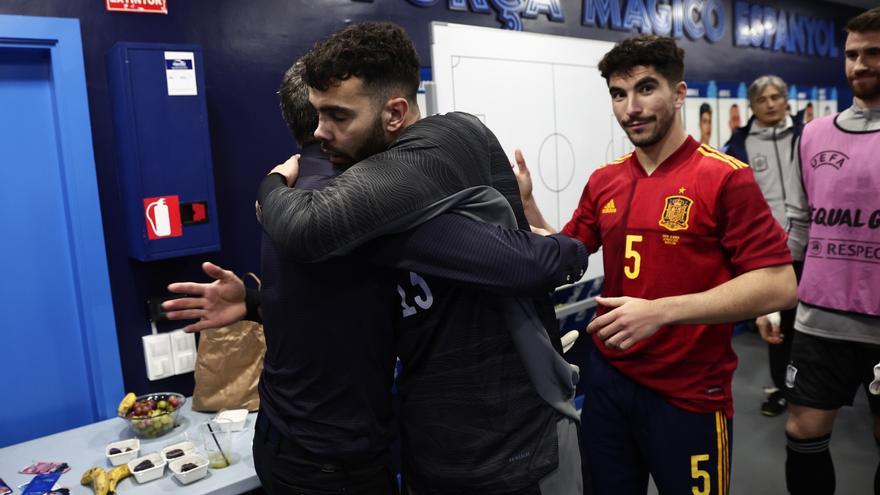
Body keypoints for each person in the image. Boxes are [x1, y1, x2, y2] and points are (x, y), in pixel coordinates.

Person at [164, 57, 588, 494]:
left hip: (286, 439)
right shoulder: (348, 215)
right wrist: (567, 246)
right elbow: (528, 265)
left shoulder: (291, 197)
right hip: (341, 463)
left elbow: (336, 313)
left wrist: (258, 302)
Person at [515, 34, 797, 494]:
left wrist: (662, 310)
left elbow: (779, 284)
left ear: (679, 93)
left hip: (689, 394)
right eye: (619, 94)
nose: (632, 107)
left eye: (646, 88)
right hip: (608, 385)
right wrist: (528, 209)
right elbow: (567, 250)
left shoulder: (725, 177)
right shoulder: (605, 180)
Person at [782, 7, 880, 495]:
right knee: (801, 432)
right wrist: (776, 295)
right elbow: (799, 223)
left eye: (873, 53)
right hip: (819, 320)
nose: (860, 64)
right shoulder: (815, 133)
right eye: (852, 54)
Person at [722, 75, 806, 417]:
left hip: (810, 245)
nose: (771, 104)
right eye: (763, 99)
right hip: (767, 250)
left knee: (810, 324)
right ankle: (781, 389)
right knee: (777, 326)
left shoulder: (808, 136)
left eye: (777, 97)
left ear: (786, 100)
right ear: (752, 106)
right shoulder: (738, 146)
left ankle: (814, 389)